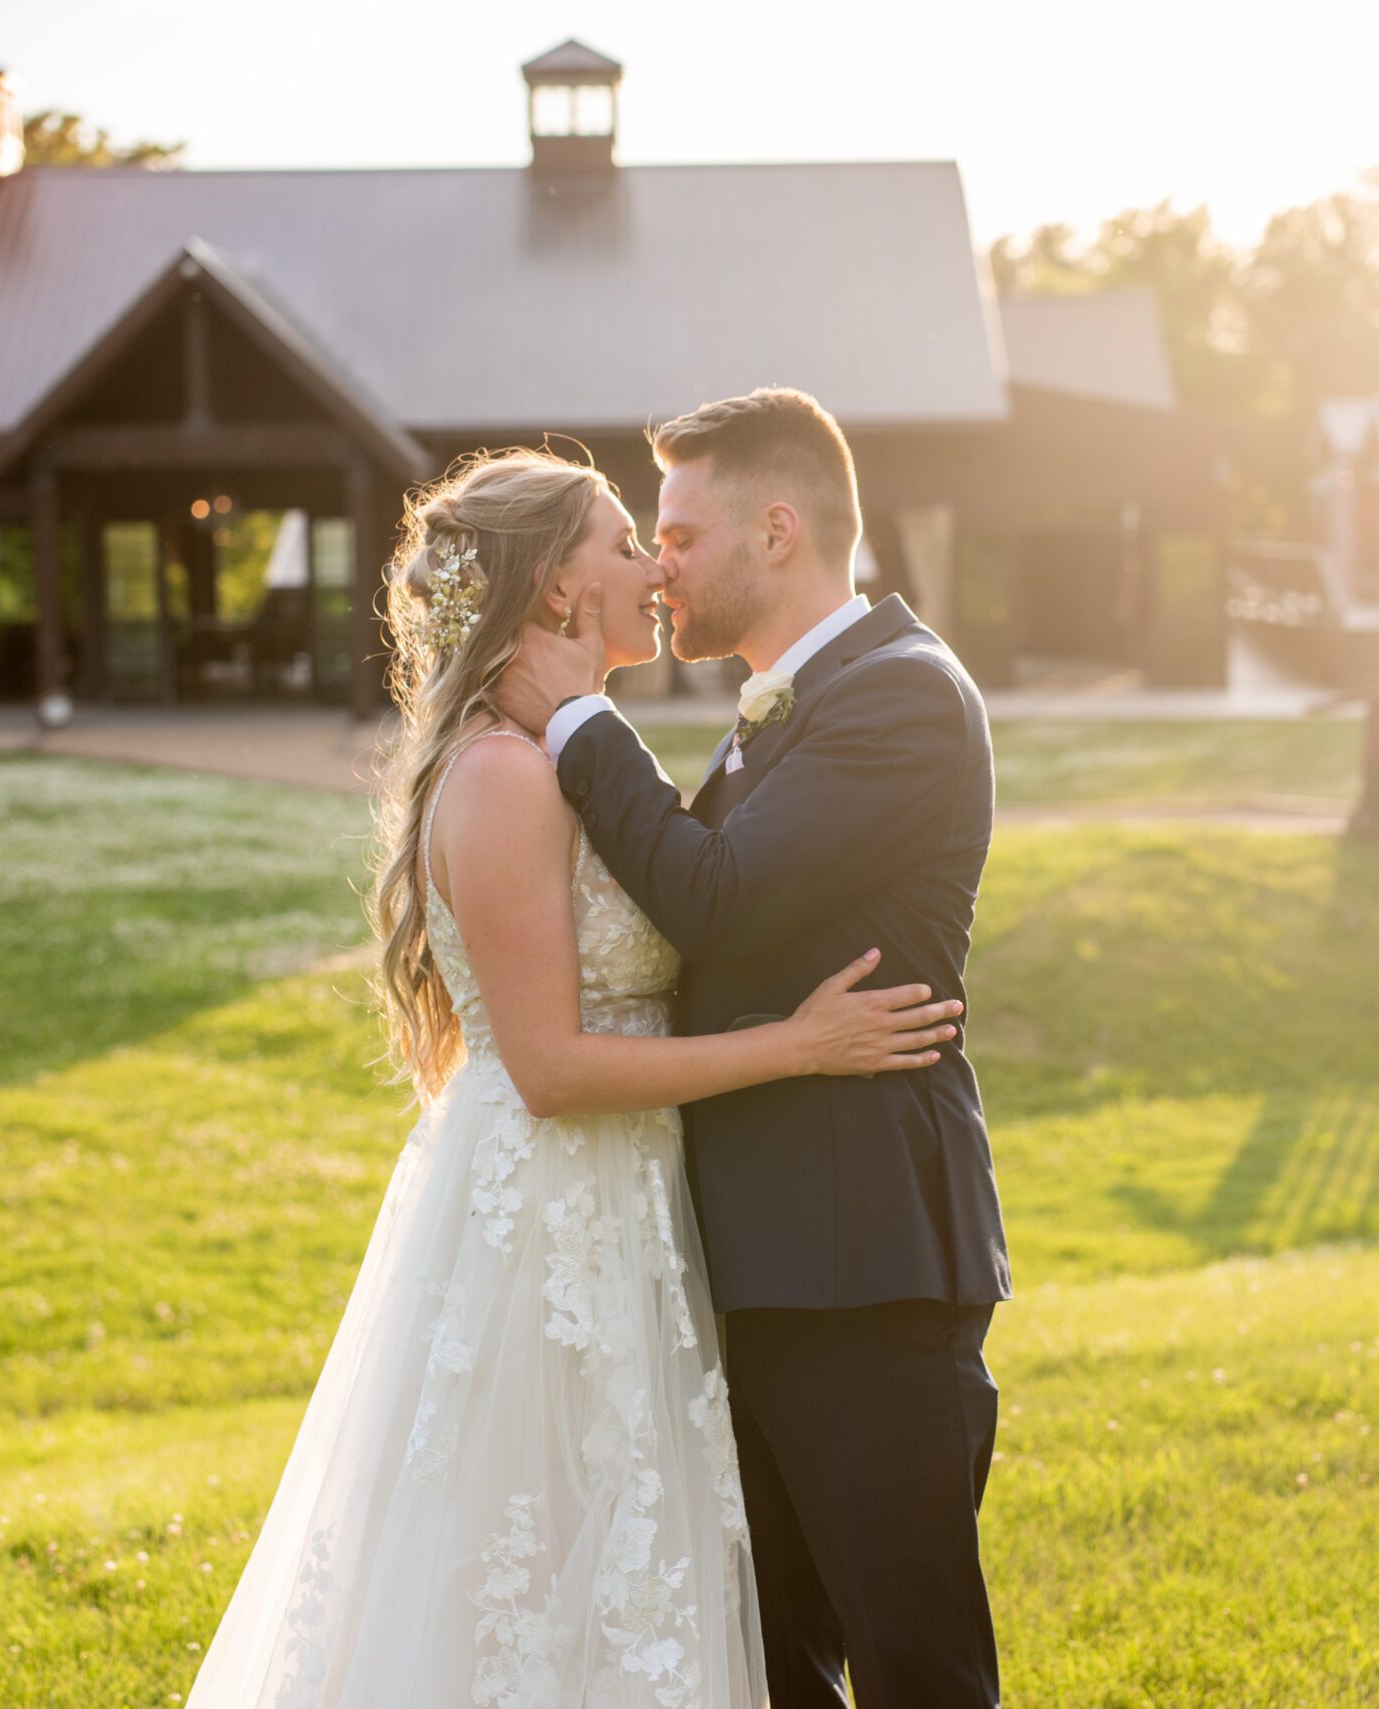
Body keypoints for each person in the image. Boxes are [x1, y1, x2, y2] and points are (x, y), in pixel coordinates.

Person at [182, 446, 962, 1708]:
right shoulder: (502, 775)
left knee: (623, 1574)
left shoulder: (563, 759)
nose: (650, 564)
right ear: (552, 589)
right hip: (549, 1216)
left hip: (633, 1205)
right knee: (527, 1578)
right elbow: (544, 1066)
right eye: (619, 542)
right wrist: (800, 1044)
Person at [492, 388, 1010, 1709]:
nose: (658, 564)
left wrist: (572, 719)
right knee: (761, 1663)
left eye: (676, 532)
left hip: (864, 1265)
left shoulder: (901, 697)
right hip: (763, 1268)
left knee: (917, 1666)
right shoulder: (784, 703)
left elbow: (711, 895)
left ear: (776, 531)